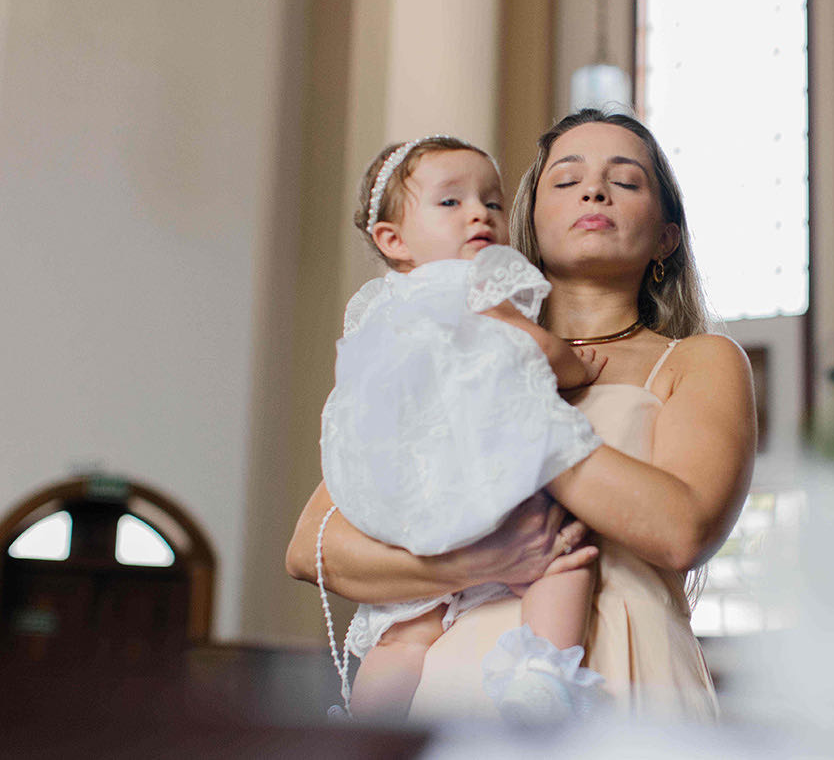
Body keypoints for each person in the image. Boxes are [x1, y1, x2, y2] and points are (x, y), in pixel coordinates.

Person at [288, 109, 756, 723]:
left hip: (628, 676)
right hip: (457, 682)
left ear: (666, 237)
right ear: (529, 219)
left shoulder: (699, 360)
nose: (595, 191)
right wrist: (481, 563)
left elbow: (683, 529)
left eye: (626, 181)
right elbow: (312, 546)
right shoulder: (450, 348)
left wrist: (507, 414)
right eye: (567, 180)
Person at [318, 136, 607, 722]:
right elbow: (543, 355)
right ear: (392, 240)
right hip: (479, 477)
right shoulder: (483, 288)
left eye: (492, 202)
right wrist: (576, 365)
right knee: (562, 559)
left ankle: (364, 731)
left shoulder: (377, 307)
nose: (480, 214)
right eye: (451, 202)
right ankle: (541, 673)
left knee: (404, 635)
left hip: (403, 502)